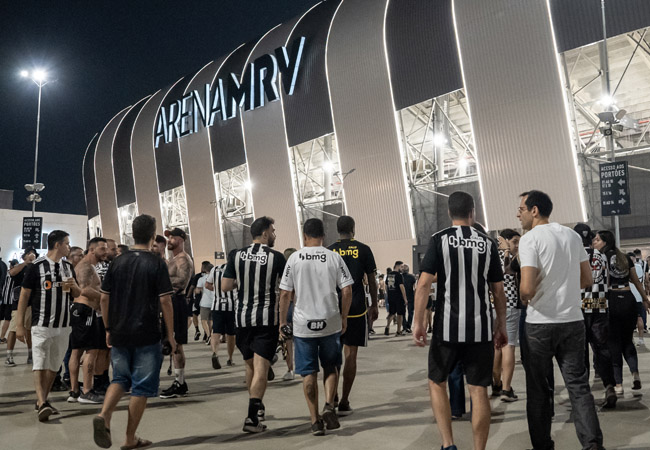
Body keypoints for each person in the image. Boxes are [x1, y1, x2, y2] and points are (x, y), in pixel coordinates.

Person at [413, 191, 507, 450]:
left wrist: (418, 322)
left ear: (448, 213)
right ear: (472, 212)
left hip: (447, 328)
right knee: (479, 391)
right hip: (480, 328)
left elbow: (422, 285)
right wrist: (501, 325)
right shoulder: (487, 243)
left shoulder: (439, 240)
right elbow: (498, 290)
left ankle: (448, 444)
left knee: (436, 382)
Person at [516, 190, 603, 450]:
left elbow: (528, 288)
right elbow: (587, 280)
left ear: (534, 210)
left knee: (539, 390)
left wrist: (524, 294)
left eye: (521, 208)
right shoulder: (572, 235)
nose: (518, 214)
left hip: (540, 324)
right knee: (578, 387)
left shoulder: (530, 239)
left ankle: (543, 445)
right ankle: (593, 445)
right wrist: (563, 286)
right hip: (572, 321)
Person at [93, 214, 176, 450]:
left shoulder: (117, 262)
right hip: (146, 333)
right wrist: (171, 335)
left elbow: (104, 299)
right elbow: (166, 302)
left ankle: (104, 414)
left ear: (132, 233)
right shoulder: (156, 262)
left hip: (119, 331)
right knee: (141, 386)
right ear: (152, 235)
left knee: (120, 378)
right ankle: (130, 438)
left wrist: (108, 328)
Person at [279, 218, 353, 435]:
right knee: (331, 366)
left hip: (303, 326)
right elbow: (347, 290)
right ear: (323, 235)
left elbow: (284, 293)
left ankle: (314, 421)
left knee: (308, 372)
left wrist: (283, 322)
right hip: (330, 322)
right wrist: (344, 317)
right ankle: (329, 405)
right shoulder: (334, 257)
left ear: (304, 236)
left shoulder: (294, 258)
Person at [222, 216, 286, 433]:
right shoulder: (276, 257)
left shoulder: (236, 255)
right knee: (262, 367)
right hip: (266, 319)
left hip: (242, 319)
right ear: (265, 233)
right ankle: (252, 417)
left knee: (249, 365)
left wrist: (245, 283)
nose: (275, 235)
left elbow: (225, 285)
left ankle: (257, 407)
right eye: (273, 231)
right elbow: (286, 288)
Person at [16, 231, 81, 422]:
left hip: (63, 323)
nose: (69, 247)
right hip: (41, 324)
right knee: (40, 362)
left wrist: (73, 286)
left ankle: (42, 400)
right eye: (67, 244)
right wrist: (20, 324)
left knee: (54, 364)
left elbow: (76, 293)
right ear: (57, 245)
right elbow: (24, 296)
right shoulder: (37, 267)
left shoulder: (68, 267)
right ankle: (42, 402)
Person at [328, 215, 378, 415]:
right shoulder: (364, 249)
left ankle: (332, 396)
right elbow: (372, 280)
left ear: (338, 230)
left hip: (334, 307)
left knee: (332, 355)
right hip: (357, 308)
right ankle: (345, 400)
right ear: (353, 229)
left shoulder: (329, 250)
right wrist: (374, 304)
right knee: (351, 355)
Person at [593, 230, 650, 396]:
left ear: (605, 242)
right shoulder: (624, 257)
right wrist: (645, 299)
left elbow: (601, 283)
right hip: (628, 299)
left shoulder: (601, 258)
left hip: (611, 300)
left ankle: (618, 384)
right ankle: (635, 373)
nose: (594, 243)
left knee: (613, 343)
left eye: (597, 240)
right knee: (627, 340)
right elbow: (635, 281)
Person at [573, 223, 618, 409]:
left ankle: (583, 393)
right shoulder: (601, 255)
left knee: (580, 350)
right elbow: (606, 281)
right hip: (599, 306)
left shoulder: (573, 255)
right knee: (601, 348)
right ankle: (609, 386)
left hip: (579, 307)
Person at [68, 237, 108, 404]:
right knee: (91, 351)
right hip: (85, 311)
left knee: (76, 351)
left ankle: (75, 391)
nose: (105, 252)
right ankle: (86, 391)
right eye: (103, 249)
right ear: (92, 250)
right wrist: (105, 297)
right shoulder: (85, 266)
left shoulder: (88, 266)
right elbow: (83, 289)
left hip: (82, 311)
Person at [160, 228, 194, 398]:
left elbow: (181, 281)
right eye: (169, 237)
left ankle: (179, 382)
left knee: (176, 343)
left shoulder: (183, 259)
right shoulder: (173, 260)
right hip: (170, 302)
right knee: (171, 343)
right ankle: (180, 382)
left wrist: (159, 281)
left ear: (181, 239)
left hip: (177, 302)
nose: (170, 240)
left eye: (172, 237)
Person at [493, 229, 521, 402]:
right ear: (505, 241)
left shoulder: (491, 256)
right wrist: (507, 251)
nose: (518, 245)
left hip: (493, 306)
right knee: (509, 346)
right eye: (515, 241)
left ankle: (496, 383)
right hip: (509, 305)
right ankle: (506, 388)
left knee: (497, 347)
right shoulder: (508, 257)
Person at [5, 248, 38, 367]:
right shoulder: (20, 267)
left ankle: (30, 355)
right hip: (18, 303)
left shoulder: (35, 268)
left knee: (30, 330)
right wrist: (26, 262)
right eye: (28, 254)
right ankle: (9, 356)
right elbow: (12, 273)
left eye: (33, 254)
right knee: (14, 329)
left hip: (31, 304)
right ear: (24, 256)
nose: (31, 255)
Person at [205, 262, 237, 369]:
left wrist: (217, 290)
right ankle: (230, 358)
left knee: (216, 331)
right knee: (231, 333)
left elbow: (207, 285)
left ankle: (215, 353)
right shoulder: (236, 268)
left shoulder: (215, 269)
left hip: (217, 305)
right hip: (231, 306)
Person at [280, 247, 298, 380]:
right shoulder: (301, 269)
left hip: (287, 307)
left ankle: (290, 369)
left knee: (287, 340)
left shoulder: (283, 272)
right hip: (301, 307)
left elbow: (283, 293)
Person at [385, 261, 407, 336]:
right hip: (398, 297)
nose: (402, 268)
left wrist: (388, 294)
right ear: (397, 266)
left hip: (391, 296)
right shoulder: (399, 275)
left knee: (391, 313)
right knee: (400, 314)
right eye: (401, 267)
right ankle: (398, 331)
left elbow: (386, 286)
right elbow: (401, 286)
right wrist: (405, 298)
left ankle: (387, 327)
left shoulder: (389, 275)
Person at [195, 261, 214, 344]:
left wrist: (196, 291)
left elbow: (197, 291)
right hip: (214, 302)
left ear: (205, 270)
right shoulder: (216, 277)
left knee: (203, 320)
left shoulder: (201, 279)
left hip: (205, 302)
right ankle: (212, 335)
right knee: (211, 320)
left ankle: (209, 335)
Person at [401, 264, 416, 333]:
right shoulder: (412, 277)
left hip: (401, 296)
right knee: (411, 312)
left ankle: (404, 326)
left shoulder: (400, 276)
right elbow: (415, 288)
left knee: (402, 312)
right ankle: (408, 326)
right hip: (410, 296)